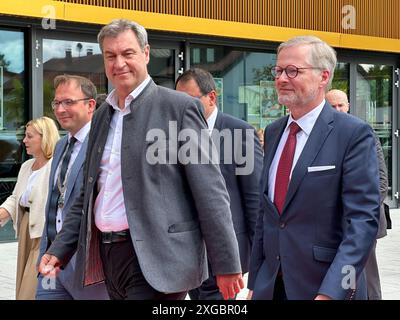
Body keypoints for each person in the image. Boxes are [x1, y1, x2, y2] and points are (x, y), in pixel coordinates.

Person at [39, 19, 242, 300]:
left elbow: (210, 191)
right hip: (108, 258)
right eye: (110, 56)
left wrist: (228, 265)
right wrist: (60, 248)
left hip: (159, 259)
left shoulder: (179, 108)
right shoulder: (101, 115)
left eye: (128, 53)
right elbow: (88, 194)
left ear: (146, 53)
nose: (119, 63)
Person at [247, 36, 380, 300]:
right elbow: (267, 214)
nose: (282, 78)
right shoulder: (274, 132)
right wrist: (255, 281)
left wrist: (333, 292)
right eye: (278, 70)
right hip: (271, 286)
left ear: (323, 77)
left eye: (293, 71)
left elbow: (362, 223)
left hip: (322, 288)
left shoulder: (352, 134)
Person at [175, 68, 263, 300]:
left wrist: (259, 261)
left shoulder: (240, 132)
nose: (183, 108)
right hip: (188, 253)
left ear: (212, 97)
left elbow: (255, 199)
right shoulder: (174, 134)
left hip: (226, 253)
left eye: (190, 101)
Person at [36, 75, 109, 300]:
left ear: (90, 105)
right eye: (56, 103)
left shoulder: (104, 146)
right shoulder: (60, 146)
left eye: (68, 102)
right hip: (51, 263)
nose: (60, 109)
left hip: (86, 268)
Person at [326, 88, 388, 300]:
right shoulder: (323, 135)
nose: (337, 110)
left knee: (367, 277)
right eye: (332, 106)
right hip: (332, 224)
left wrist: (359, 215)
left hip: (364, 222)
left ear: (348, 106)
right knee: (343, 278)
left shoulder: (364, 132)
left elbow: (380, 182)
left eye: (340, 105)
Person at [0, 116, 59, 299]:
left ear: (45, 137)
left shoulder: (54, 167)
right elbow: (16, 197)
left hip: (45, 234)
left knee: (32, 287)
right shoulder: (26, 166)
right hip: (26, 228)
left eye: (29, 136)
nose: (24, 140)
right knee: (23, 284)